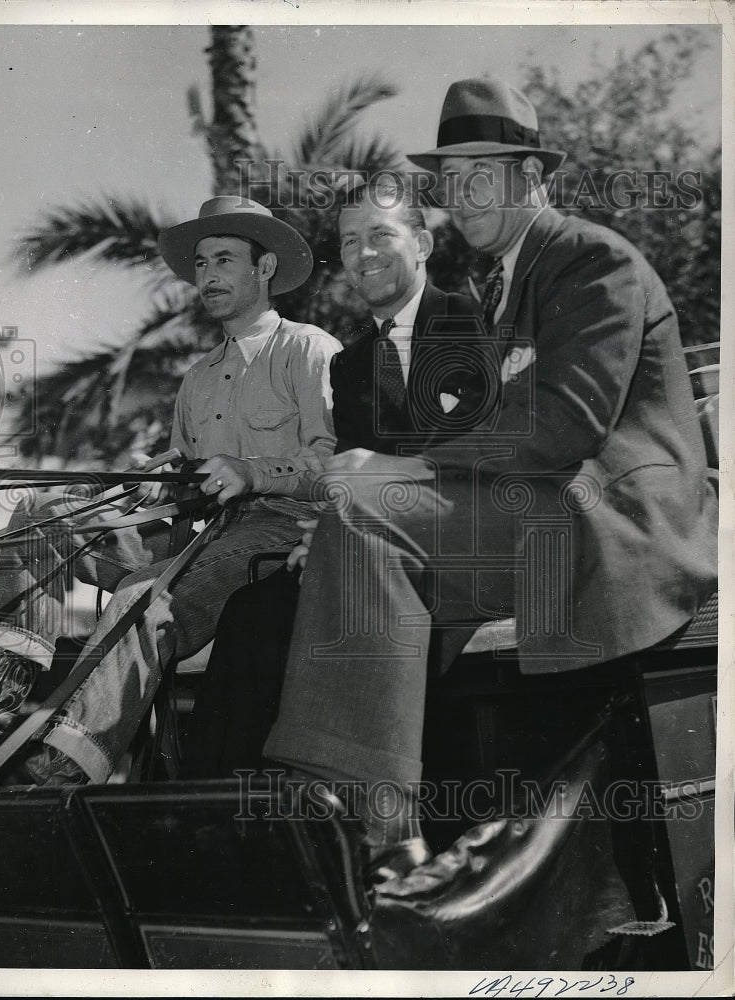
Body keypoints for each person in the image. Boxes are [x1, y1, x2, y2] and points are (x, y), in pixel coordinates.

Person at [258, 78, 718, 882]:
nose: (460, 197)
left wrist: (407, 464)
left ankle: (374, 835)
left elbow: (563, 424)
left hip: (613, 523)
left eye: (484, 175)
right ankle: (360, 823)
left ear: (531, 179)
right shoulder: (506, 280)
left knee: (369, 513)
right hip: (546, 510)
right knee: (348, 533)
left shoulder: (587, 257)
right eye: (451, 179)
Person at [0, 196, 341, 785]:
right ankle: (0, 685)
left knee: (141, 601)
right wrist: (152, 481)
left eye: (225, 259)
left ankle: (66, 768)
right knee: (39, 510)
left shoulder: (307, 349)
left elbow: (334, 465)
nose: (209, 275)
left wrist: (252, 472)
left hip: (278, 534)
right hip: (198, 537)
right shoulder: (198, 376)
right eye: (201, 264)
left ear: (265, 268)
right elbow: (184, 477)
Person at [180, 177, 483, 791]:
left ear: (422, 244)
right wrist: (328, 527)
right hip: (367, 548)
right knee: (250, 614)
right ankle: (221, 816)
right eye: (349, 242)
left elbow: (483, 462)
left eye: (381, 235)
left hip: (459, 545)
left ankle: (381, 813)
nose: (364, 254)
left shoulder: (476, 324)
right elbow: (347, 468)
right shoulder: (351, 365)